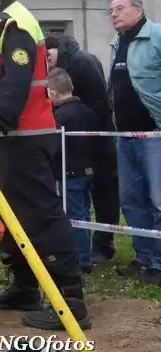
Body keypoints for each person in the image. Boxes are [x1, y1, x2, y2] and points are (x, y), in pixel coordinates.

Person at [0, 0, 89, 330]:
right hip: (10, 139)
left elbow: (15, 83)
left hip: (23, 137)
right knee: (11, 216)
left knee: (40, 215)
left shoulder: (14, 24)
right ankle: (25, 286)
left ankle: (70, 301)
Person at [46, 35, 118, 264]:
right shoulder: (78, 108)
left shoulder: (83, 63)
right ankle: (85, 253)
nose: (47, 62)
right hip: (84, 161)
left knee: (79, 209)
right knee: (83, 210)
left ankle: (84, 255)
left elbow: (100, 103)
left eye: (48, 56)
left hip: (76, 166)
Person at [107, 0, 161, 285]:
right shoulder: (117, 43)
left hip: (154, 135)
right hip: (124, 137)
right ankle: (144, 258)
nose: (113, 15)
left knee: (158, 200)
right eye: (110, 11)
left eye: (119, 9)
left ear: (138, 10)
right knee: (131, 200)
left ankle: (159, 263)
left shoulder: (157, 35)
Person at [47, 68, 99, 273]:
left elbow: (55, 147)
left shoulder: (59, 117)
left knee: (73, 217)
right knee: (84, 213)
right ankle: (85, 255)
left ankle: (79, 260)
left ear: (53, 94)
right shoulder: (88, 111)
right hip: (87, 172)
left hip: (68, 174)